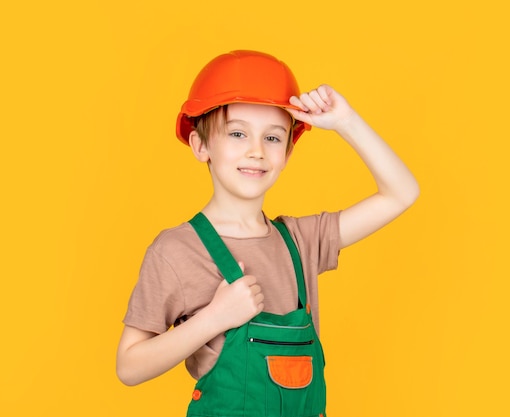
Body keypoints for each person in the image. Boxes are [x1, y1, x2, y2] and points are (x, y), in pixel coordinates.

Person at [116, 50, 419, 417]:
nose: (256, 151)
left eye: (273, 138)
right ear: (201, 145)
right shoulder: (176, 250)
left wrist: (346, 122)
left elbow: (402, 193)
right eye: (238, 133)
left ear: (289, 151)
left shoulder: (301, 242)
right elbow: (129, 367)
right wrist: (214, 318)